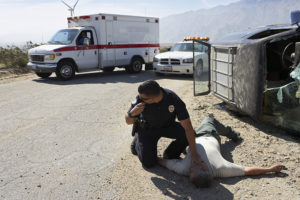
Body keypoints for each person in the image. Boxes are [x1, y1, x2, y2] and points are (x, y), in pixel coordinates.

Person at [157, 116, 285, 188]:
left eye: (190, 171)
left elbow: (161, 161)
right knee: (208, 119)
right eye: (194, 167)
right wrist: (270, 169)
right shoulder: (221, 168)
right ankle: (233, 134)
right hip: (208, 134)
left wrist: (147, 156)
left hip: (190, 140)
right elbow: (247, 170)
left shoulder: (184, 168)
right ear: (206, 168)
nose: (191, 166)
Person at [126, 80, 213, 169]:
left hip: (167, 126)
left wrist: (194, 154)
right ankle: (137, 140)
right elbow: (128, 121)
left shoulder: (172, 98)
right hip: (148, 129)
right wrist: (131, 114)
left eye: (144, 98)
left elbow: (188, 127)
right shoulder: (140, 99)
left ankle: (170, 154)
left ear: (154, 98)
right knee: (149, 163)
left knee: (190, 135)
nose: (141, 99)